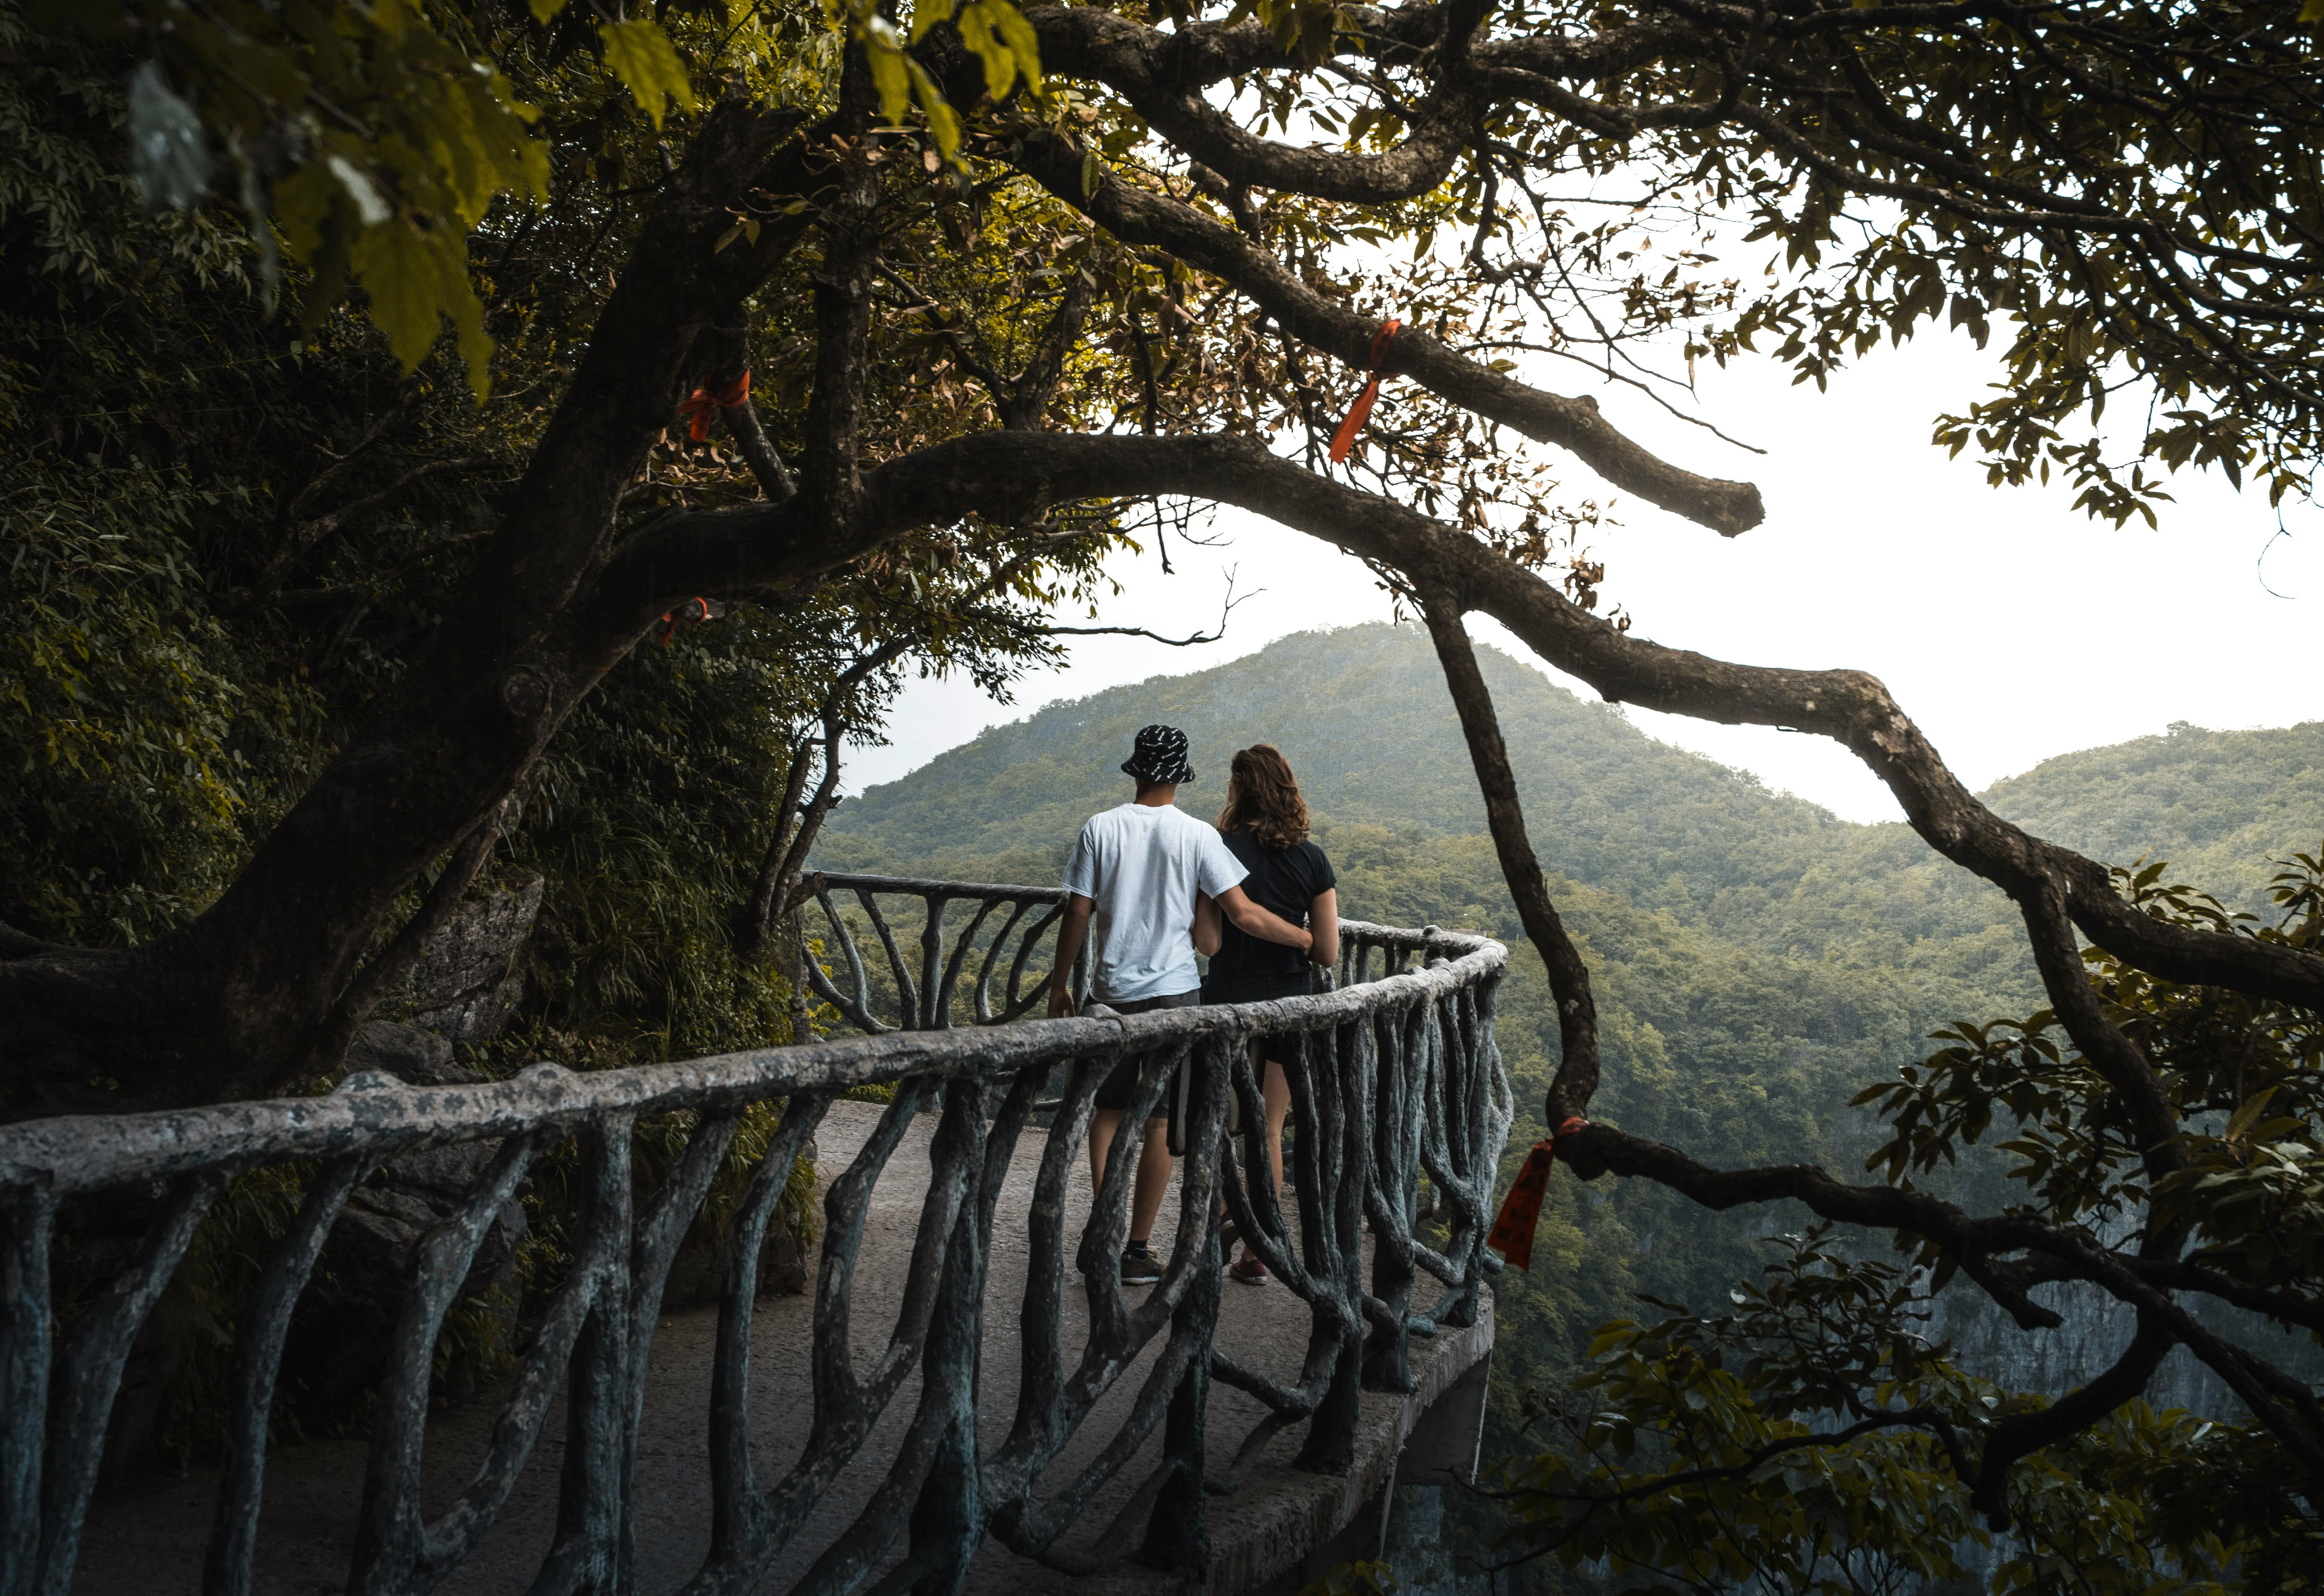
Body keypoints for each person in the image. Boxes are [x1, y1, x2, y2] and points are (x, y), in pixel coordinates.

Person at [1048, 725, 1314, 1285]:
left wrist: (1060, 984)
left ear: (1137, 770)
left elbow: (1076, 912)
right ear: (1181, 776)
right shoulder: (1197, 837)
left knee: (1108, 1112)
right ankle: (1138, 1250)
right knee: (1162, 1122)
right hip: (1174, 995)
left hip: (1111, 993)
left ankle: (1104, 1228)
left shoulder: (1100, 827)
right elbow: (1235, 919)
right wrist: (1304, 939)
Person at [1198, 744, 1338, 1285]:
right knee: (1269, 1129)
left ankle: (1211, 1231)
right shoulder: (1312, 859)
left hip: (1227, 1003)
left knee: (1215, 1127)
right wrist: (1298, 937)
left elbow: (1208, 943)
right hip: (1289, 1004)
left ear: (1239, 789)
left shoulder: (1217, 851)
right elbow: (1326, 952)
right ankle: (1258, 1254)